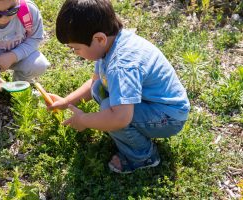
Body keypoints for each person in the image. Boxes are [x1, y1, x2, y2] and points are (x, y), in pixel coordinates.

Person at [48, 0, 190, 174]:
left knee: (110, 109)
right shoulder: (111, 43)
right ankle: (129, 132)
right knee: (99, 88)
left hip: (169, 117)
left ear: (99, 38)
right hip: (153, 105)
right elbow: (95, 81)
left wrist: (84, 120)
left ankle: (143, 156)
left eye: (76, 48)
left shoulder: (121, 65)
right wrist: (67, 101)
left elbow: (121, 118)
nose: (75, 53)